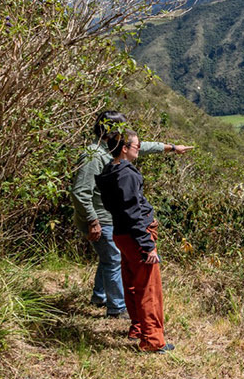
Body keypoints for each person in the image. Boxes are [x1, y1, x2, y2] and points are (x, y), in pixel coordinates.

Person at [69, 111, 191, 318]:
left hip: (110, 217)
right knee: (113, 259)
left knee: (109, 257)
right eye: (123, 129)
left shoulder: (111, 149)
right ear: (111, 131)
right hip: (101, 218)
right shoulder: (93, 155)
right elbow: (80, 192)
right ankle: (116, 308)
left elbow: (140, 147)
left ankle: (100, 296)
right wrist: (92, 220)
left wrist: (171, 148)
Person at [96, 130, 173, 353]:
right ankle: (152, 340)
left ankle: (138, 328)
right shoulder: (127, 175)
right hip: (136, 235)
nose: (138, 149)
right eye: (136, 146)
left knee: (131, 283)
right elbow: (133, 211)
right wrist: (147, 244)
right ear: (124, 148)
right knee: (149, 288)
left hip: (121, 234)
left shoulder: (109, 171)